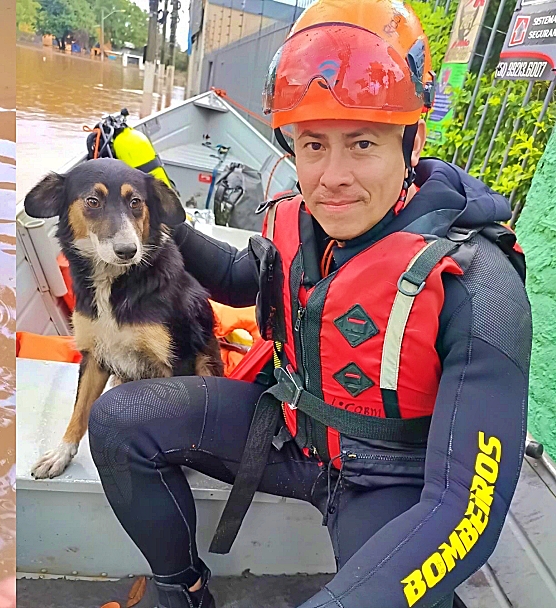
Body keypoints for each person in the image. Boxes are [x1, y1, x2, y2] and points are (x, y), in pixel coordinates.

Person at [86, 1, 531, 607]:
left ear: (414, 138)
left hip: (386, 478)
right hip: (286, 435)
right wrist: (162, 207)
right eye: (314, 144)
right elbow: (245, 281)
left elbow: (467, 507)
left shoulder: (479, 283)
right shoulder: (297, 221)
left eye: (364, 143)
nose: (332, 176)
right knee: (117, 422)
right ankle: (182, 591)